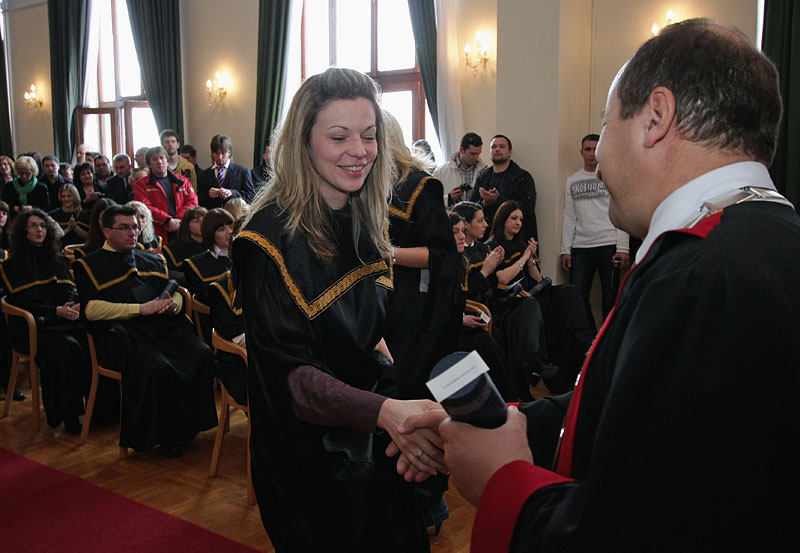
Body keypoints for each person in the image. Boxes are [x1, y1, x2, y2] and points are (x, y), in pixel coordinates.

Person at [411, 19, 800, 551]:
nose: (599, 153)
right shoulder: (757, 239)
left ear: (655, 118)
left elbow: (636, 528)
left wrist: (502, 478)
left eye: (605, 122)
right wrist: (514, 422)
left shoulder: (704, 276)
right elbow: (633, 403)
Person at [231, 67, 445, 552]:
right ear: (303, 141)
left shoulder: (364, 217)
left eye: (370, 135)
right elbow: (296, 384)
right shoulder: (266, 242)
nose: (360, 150)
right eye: (339, 136)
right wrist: (387, 412)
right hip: (312, 463)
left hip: (374, 438)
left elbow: (366, 330)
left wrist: (400, 403)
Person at [73, 205, 217, 457]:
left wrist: (173, 306)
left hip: (164, 326)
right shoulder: (88, 264)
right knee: (158, 367)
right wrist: (141, 309)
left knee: (202, 354)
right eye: (125, 228)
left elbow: (177, 296)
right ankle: (163, 436)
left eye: (136, 227)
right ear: (107, 231)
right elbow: (91, 310)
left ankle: (189, 427)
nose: (133, 232)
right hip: (124, 333)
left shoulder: (153, 258)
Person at [383, 110, 461, 533]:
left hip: (418, 315)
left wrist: (387, 253)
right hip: (381, 311)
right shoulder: (365, 185)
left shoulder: (420, 187)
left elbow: (442, 254)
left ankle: (428, 504)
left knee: (416, 405)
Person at [0, 209, 89, 433]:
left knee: (93, 336)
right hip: (33, 326)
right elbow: (23, 302)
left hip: (62, 319)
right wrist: (57, 310)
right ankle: (68, 415)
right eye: (33, 226)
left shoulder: (56, 258)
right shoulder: (13, 265)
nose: (39, 230)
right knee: (65, 347)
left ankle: (96, 410)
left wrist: (68, 305)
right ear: (22, 231)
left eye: (42, 226)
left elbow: (68, 289)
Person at [561, 133, 630, 330]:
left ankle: (608, 339)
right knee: (578, 296)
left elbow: (621, 210)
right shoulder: (572, 180)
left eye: (595, 149)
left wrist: (623, 247)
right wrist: (566, 249)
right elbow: (570, 216)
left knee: (610, 297)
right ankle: (588, 341)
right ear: (581, 152)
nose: (591, 154)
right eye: (587, 149)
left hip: (609, 243)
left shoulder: (612, 175)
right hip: (581, 247)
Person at [448, 210, 517, 402]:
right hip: (446, 327)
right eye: (455, 232)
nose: (462, 236)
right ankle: (510, 400)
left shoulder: (462, 258)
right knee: (485, 341)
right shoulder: (440, 262)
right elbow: (436, 306)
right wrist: (460, 319)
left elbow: (461, 297)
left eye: (462, 231)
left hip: (469, 314)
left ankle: (511, 398)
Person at [469, 135, 537, 242]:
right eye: (493, 147)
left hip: (515, 239)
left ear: (510, 152)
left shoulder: (522, 177)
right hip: (486, 237)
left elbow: (527, 208)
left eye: (502, 146)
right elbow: (470, 208)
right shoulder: (483, 177)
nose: (497, 149)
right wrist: (484, 203)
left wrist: (498, 200)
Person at [184, 208, 234, 343]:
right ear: (211, 234)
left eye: (231, 226)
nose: (229, 232)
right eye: (222, 230)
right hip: (221, 325)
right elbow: (207, 301)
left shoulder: (243, 255)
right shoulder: (195, 264)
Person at [134, 146, 199, 244]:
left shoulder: (182, 181)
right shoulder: (141, 184)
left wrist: (178, 220)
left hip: (182, 229)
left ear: (167, 161)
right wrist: (167, 220)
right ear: (149, 165)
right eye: (155, 159)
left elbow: (193, 202)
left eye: (162, 158)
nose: (159, 162)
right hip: (157, 233)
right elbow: (145, 208)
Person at [197, 134, 255, 209]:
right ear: (212, 154)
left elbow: (251, 197)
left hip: (236, 216)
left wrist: (232, 193)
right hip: (212, 217)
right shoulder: (203, 175)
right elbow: (199, 200)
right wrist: (208, 194)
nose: (220, 157)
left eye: (223, 153)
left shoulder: (243, 172)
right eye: (217, 154)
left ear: (229, 153)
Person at [433, 132, 486, 206]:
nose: (476, 158)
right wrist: (449, 199)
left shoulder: (485, 172)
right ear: (462, 150)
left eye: (478, 153)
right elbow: (432, 201)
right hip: (450, 216)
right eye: (472, 154)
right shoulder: (440, 172)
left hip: (477, 216)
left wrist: (477, 197)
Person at [161, 206, 207, 285]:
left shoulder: (214, 244)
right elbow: (167, 272)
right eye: (196, 221)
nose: (202, 224)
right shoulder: (174, 248)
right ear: (187, 226)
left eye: (205, 220)